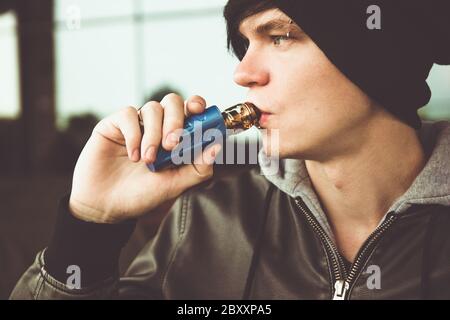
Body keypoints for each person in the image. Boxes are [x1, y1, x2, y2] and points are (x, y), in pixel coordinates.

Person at [11, 0, 450, 299]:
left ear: (380, 56)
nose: (242, 73)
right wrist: (89, 229)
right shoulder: (205, 223)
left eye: (279, 36)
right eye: (243, 45)